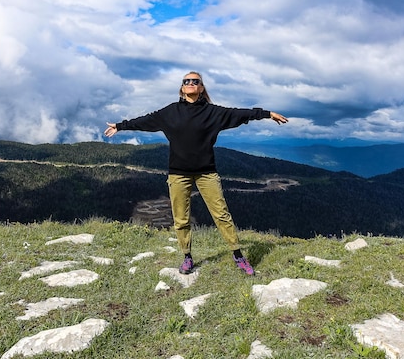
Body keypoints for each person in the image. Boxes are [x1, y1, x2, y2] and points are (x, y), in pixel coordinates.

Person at [104, 71, 288, 275]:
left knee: (221, 214)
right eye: (187, 81)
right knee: (181, 218)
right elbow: (146, 121)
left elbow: (240, 114)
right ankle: (187, 258)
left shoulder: (213, 113)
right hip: (178, 174)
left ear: (201, 88)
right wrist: (120, 126)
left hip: (206, 173)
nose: (191, 83)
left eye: (195, 81)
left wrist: (266, 113)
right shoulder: (170, 112)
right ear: (182, 88)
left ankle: (238, 256)